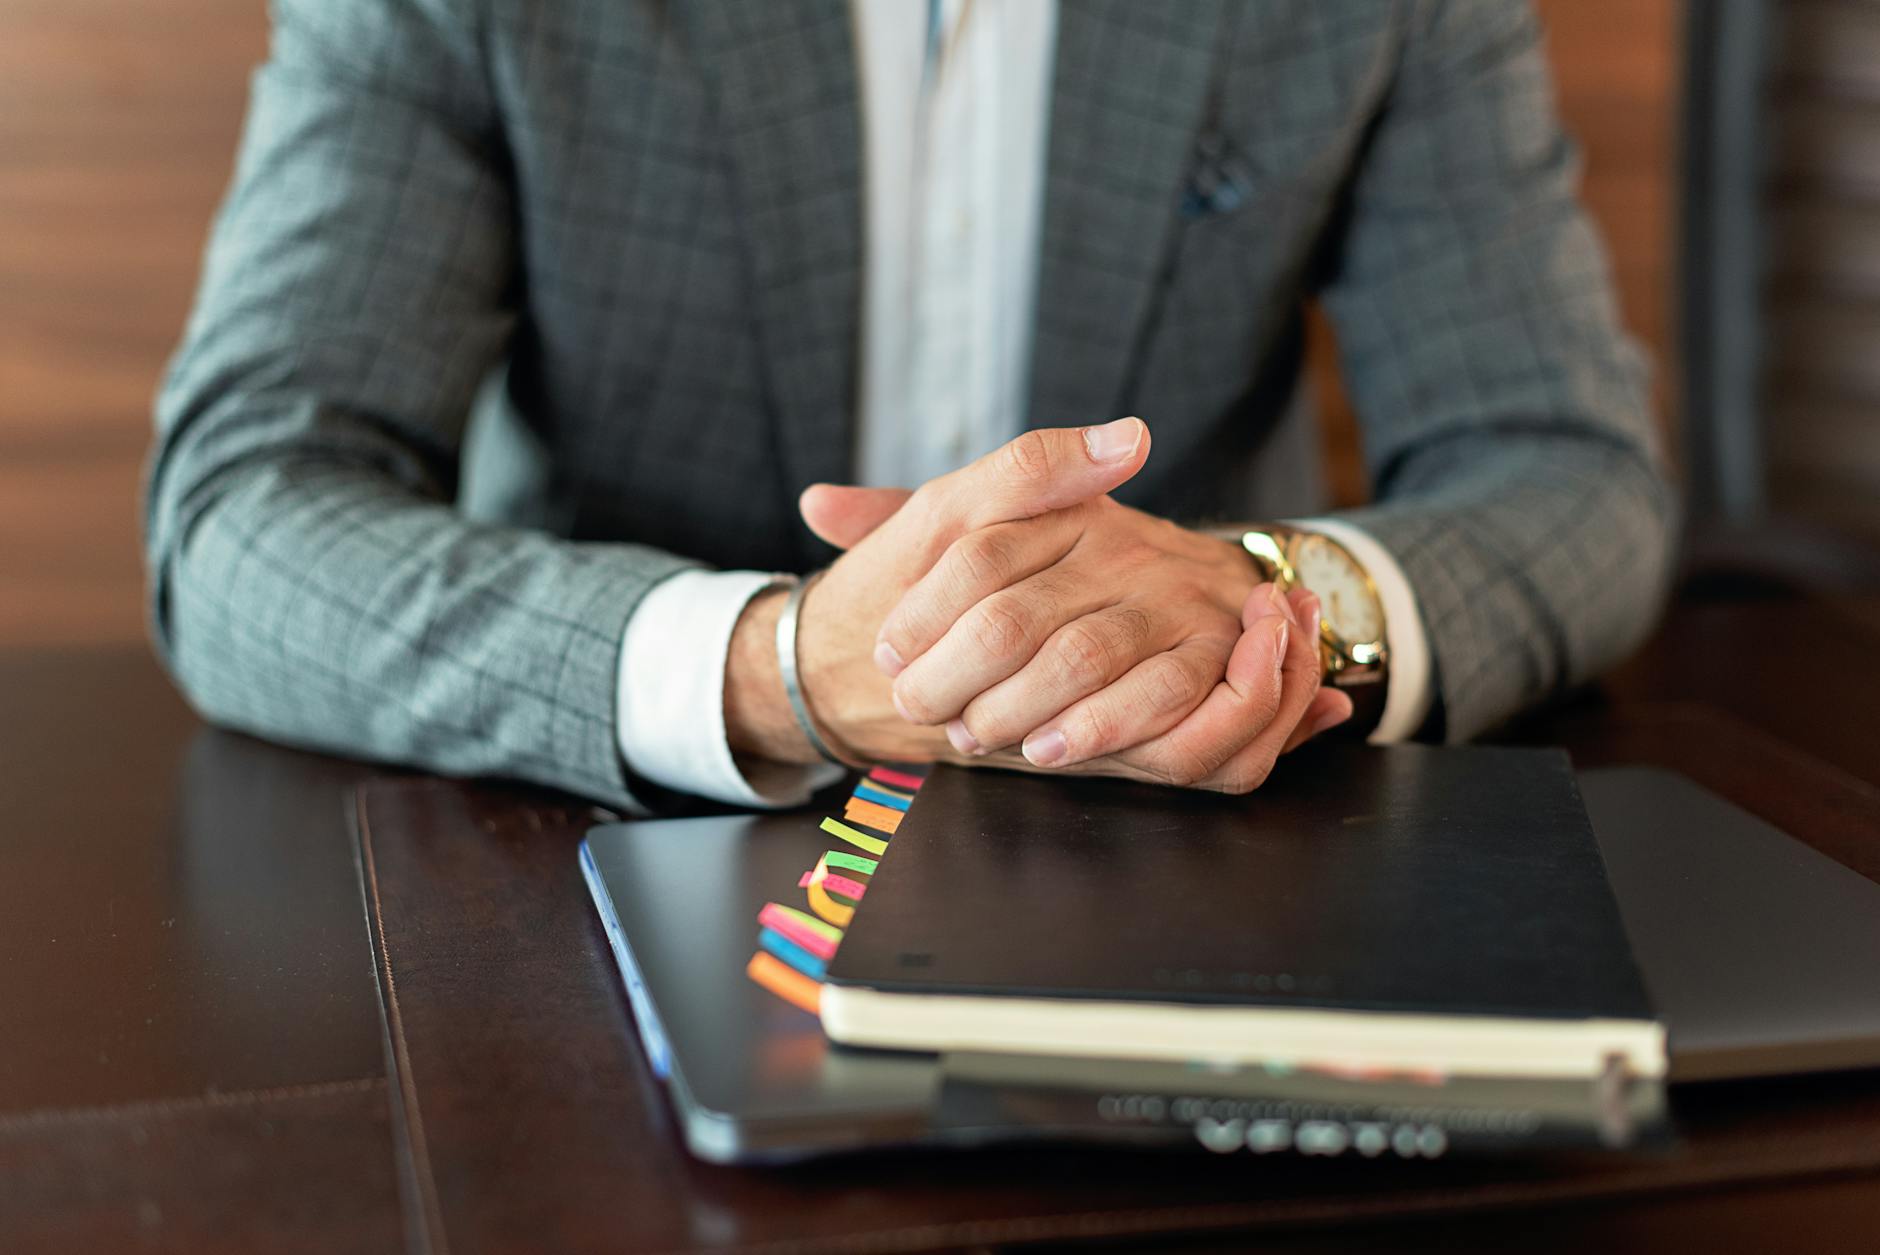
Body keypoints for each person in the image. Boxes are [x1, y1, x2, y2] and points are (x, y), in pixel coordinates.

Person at [145, 0, 1676, 814]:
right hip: (600, 818)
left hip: (1206, 820)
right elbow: (242, 513)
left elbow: (1567, 467)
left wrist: (1264, 601)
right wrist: (777, 665)